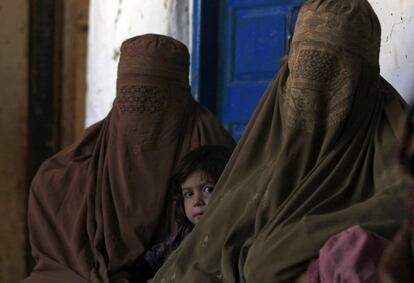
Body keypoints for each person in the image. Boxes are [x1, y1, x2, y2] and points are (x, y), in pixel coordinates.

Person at [150, 0, 409, 282]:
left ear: (362, 81)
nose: (311, 93)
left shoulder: (392, 140)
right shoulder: (265, 145)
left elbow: (400, 206)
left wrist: (301, 237)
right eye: (303, 71)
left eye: (331, 75)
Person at [22, 34, 235, 283]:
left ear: (181, 100)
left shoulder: (213, 149)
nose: (141, 117)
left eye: (155, 101)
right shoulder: (61, 180)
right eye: (130, 99)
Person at [127, 145, 232, 282]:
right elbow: (151, 260)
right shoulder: (185, 233)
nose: (197, 201)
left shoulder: (230, 231)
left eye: (208, 189)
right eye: (189, 194)